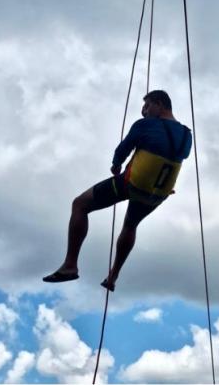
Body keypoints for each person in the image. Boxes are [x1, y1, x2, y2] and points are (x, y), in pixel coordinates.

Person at [43, 90, 192, 291]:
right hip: (157, 194)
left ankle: (70, 265)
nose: (143, 111)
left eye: (147, 106)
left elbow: (124, 148)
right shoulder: (186, 135)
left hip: (133, 183)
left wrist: (116, 165)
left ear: (160, 104)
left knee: (79, 204)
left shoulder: (145, 125)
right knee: (130, 226)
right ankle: (112, 277)